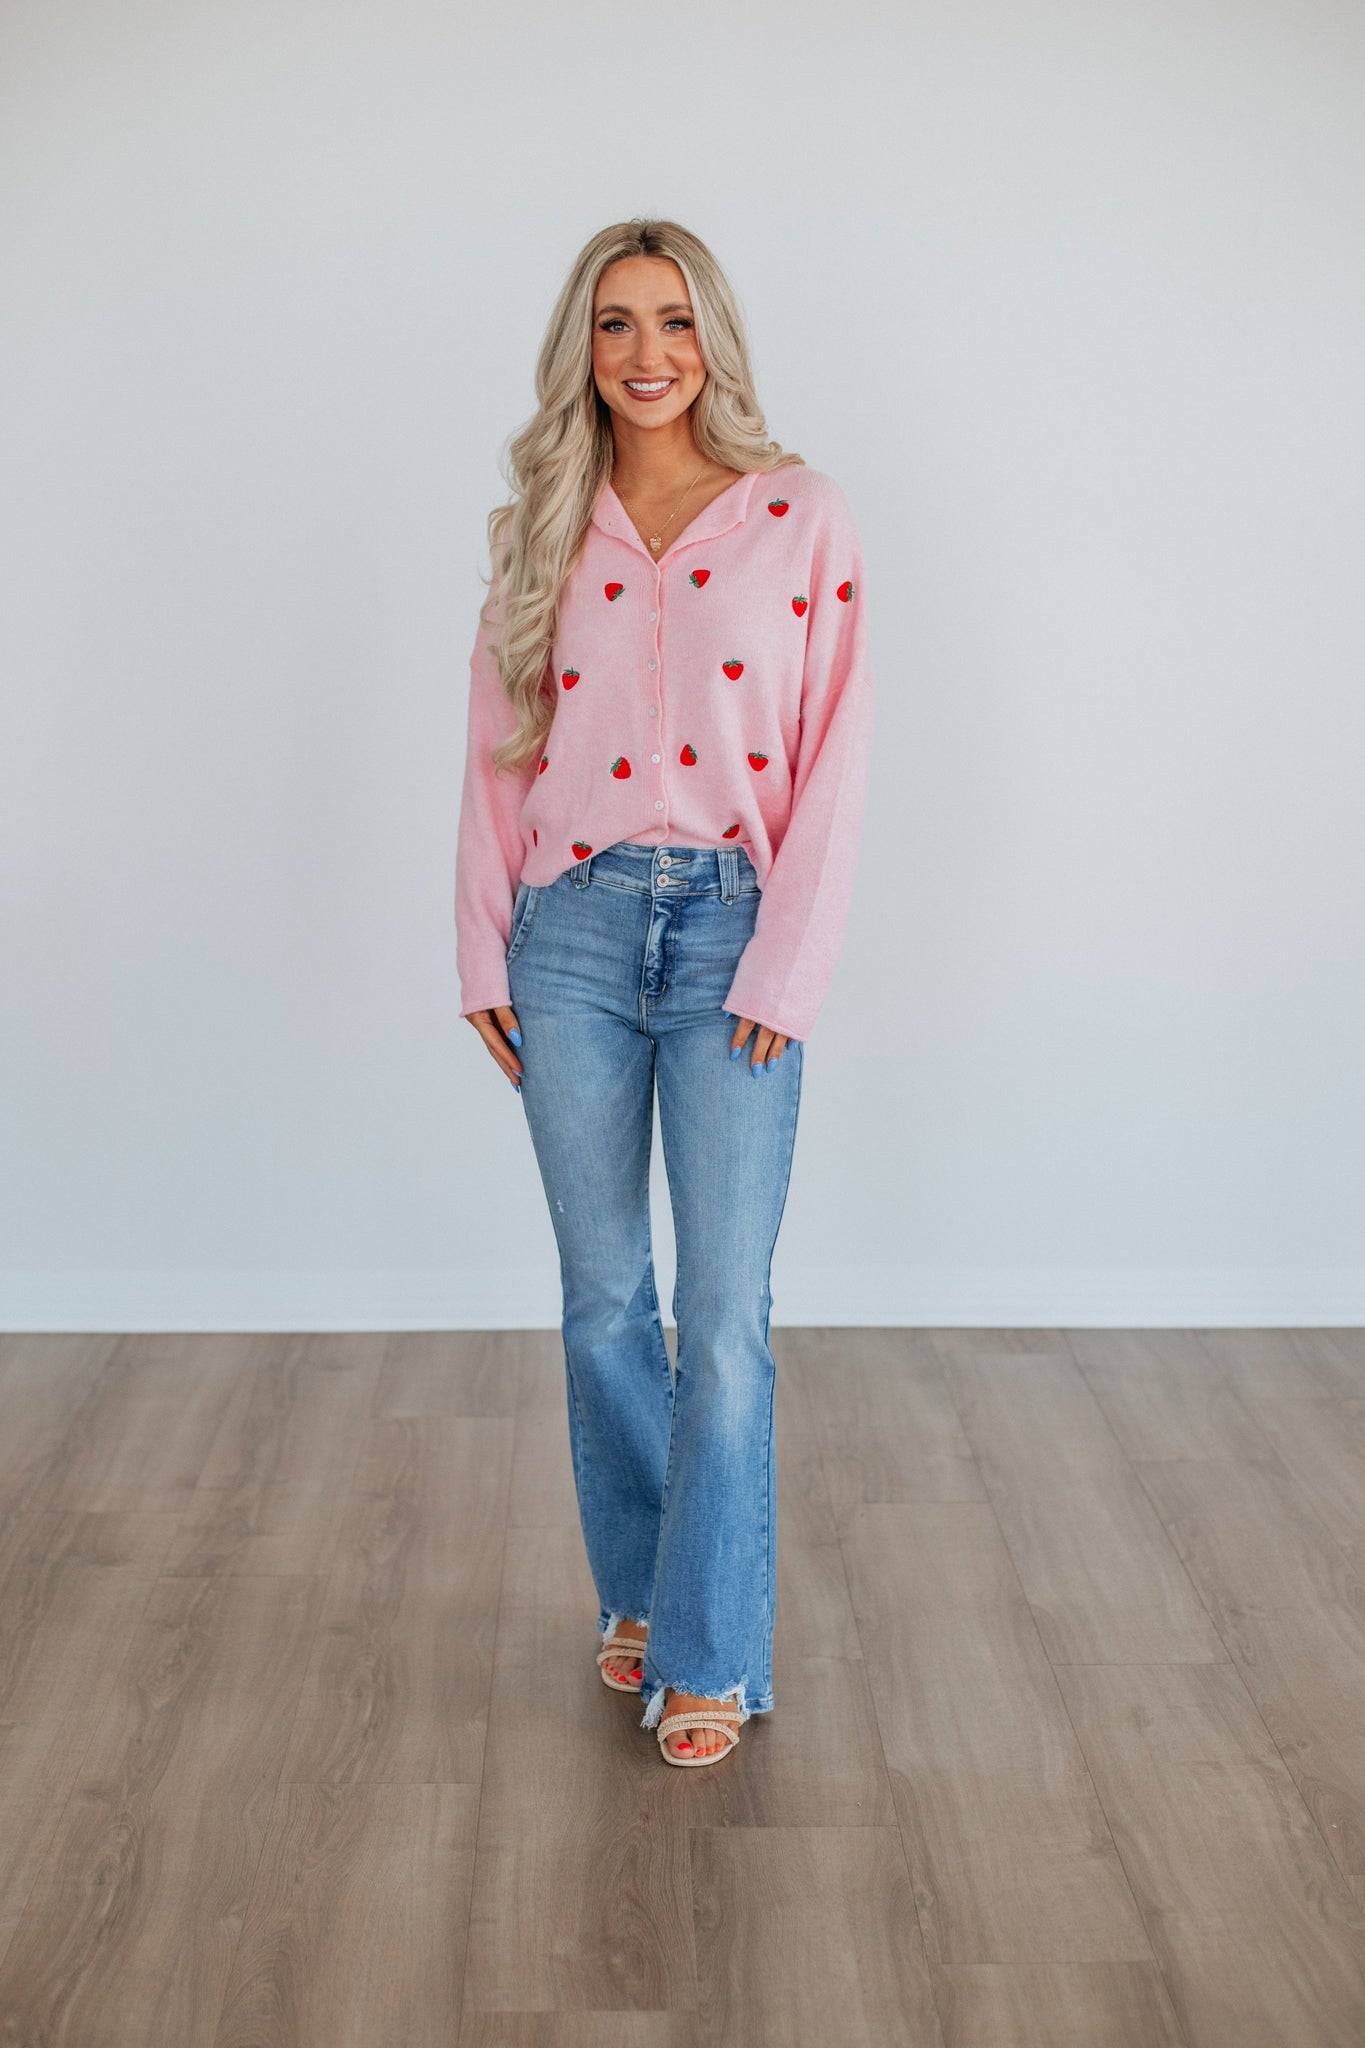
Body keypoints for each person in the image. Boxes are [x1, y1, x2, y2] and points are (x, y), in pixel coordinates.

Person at [454, 217, 873, 1766]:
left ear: (715, 342)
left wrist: (788, 963)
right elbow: (495, 752)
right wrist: (478, 951)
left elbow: (837, 747)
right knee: (602, 1299)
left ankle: (709, 1654)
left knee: (724, 1310)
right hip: (564, 939)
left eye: (674, 321)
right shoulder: (543, 525)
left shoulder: (797, 515)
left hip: (729, 939)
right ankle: (637, 1588)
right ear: (583, 346)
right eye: (617, 323)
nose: (647, 354)